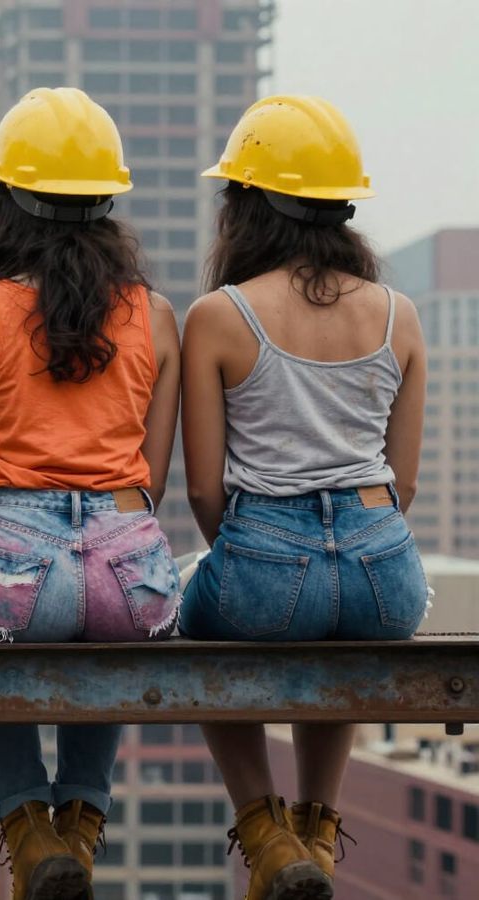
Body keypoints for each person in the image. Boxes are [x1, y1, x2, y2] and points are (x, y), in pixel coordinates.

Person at [180, 95, 428, 900]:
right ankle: (318, 830)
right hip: (385, 574)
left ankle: (264, 829)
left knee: (190, 627)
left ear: (248, 205)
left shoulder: (219, 315)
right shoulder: (399, 316)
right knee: (342, 636)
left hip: (265, 558)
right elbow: (403, 483)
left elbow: (205, 488)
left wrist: (256, 558)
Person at [0, 87, 181, 900]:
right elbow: (150, 478)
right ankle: (79, 821)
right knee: (108, 631)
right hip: (132, 563)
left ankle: (26, 822)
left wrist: (17, 543)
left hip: (17, 550)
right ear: (109, 203)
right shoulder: (157, 316)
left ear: (5, 202)